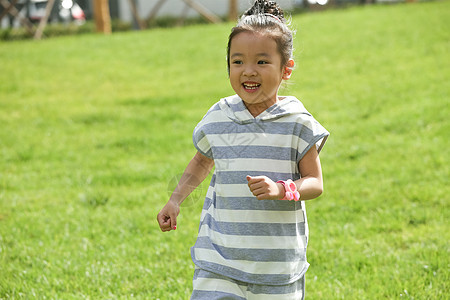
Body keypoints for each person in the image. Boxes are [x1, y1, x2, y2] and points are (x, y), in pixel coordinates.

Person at [157, 0, 329, 298]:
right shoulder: (219, 116)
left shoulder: (297, 123)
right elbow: (201, 161)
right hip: (219, 260)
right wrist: (175, 200)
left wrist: (281, 189)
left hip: (276, 266)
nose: (248, 71)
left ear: (286, 69)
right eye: (238, 62)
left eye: (262, 62)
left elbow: (315, 183)